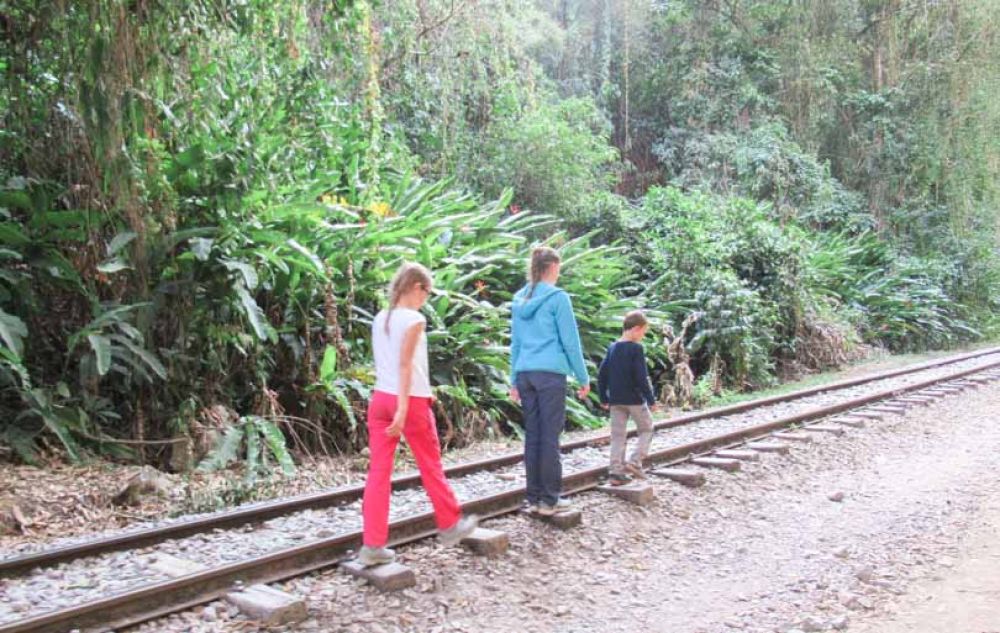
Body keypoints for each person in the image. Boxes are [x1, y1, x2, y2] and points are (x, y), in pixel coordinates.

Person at [358, 262, 477, 566]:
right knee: (430, 464)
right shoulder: (414, 319)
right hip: (406, 403)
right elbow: (404, 364)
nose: (427, 298)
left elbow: (393, 364)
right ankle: (450, 525)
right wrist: (403, 408)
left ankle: (372, 546)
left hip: (380, 399)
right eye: (428, 291)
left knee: (378, 474)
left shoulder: (380, 317)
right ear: (416, 287)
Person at [510, 247, 590, 516]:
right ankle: (550, 499)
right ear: (553, 267)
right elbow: (570, 341)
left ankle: (533, 497)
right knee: (550, 436)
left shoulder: (519, 300)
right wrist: (583, 376)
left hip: (525, 374)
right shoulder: (558, 298)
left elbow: (516, 344)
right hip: (550, 374)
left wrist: (513, 381)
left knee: (533, 435)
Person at [597, 310, 658, 485]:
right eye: (643, 332)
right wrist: (651, 400)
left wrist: (603, 397)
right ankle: (635, 462)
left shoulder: (612, 348)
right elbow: (641, 377)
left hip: (616, 400)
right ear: (636, 329)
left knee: (618, 436)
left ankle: (615, 473)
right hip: (634, 400)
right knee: (647, 429)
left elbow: (602, 375)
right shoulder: (636, 349)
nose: (642, 337)